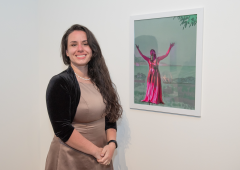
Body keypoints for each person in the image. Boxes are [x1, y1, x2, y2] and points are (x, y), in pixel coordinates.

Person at [45, 24, 122, 170]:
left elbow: (110, 117)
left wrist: (111, 144)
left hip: (101, 156)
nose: (80, 49)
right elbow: (62, 129)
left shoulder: (101, 80)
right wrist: (96, 151)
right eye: (74, 45)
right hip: (70, 159)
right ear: (66, 52)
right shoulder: (59, 83)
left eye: (85, 44)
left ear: (92, 49)